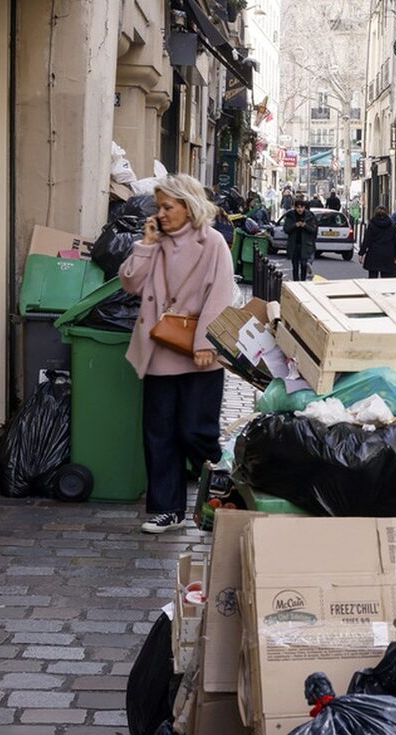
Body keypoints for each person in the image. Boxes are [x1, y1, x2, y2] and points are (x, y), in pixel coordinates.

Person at [119, 174, 234, 534]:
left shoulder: (212, 242)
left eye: (168, 207)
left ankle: (222, 497)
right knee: (160, 433)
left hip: (198, 355)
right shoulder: (157, 243)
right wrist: (147, 244)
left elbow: (220, 297)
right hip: (158, 352)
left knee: (197, 432)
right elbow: (130, 283)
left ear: (189, 206)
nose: (162, 214)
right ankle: (167, 509)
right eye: (159, 207)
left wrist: (205, 344)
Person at [361, 206, 396, 279]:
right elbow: (395, 242)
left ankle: (373, 290)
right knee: (386, 280)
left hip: (374, 254)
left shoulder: (371, 225)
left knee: (372, 279)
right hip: (387, 255)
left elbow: (367, 240)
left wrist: (361, 253)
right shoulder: (391, 226)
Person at [283, 198, 318, 281]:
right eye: (298, 207)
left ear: (304, 208)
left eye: (301, 207)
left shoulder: (310, 216)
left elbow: (313, 230)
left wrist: (305, 226)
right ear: (295, 208)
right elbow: (286, 229)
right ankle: (296, 282)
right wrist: (295, 225)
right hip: (294, 244)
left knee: (303, 264)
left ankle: (303, 281)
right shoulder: (290, 216)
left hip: (305, 245)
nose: (300, 209)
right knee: (295, 265)